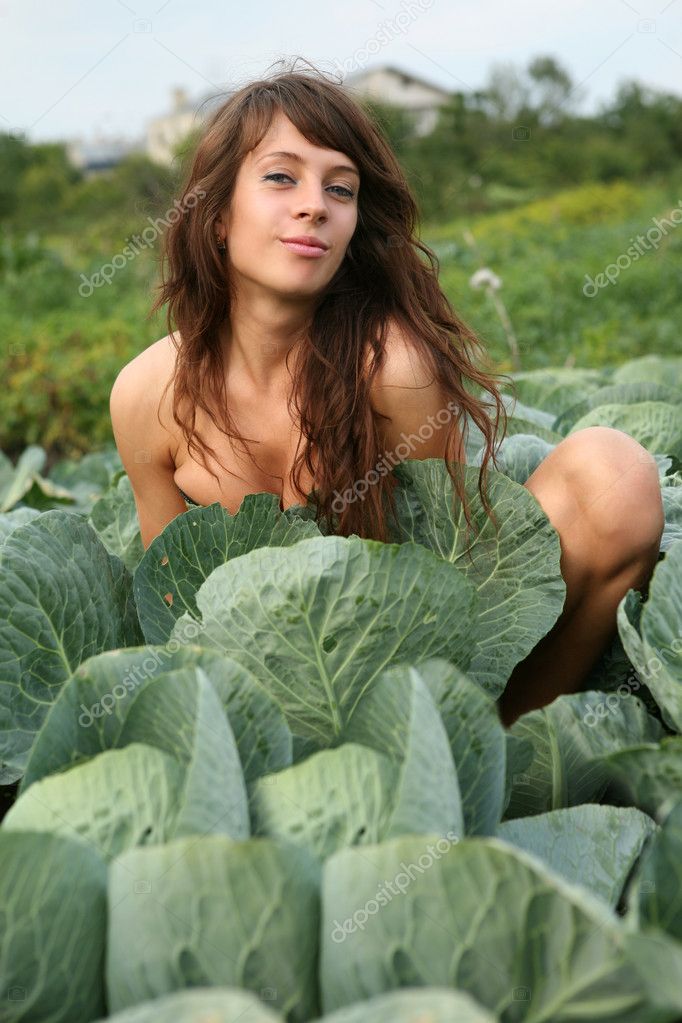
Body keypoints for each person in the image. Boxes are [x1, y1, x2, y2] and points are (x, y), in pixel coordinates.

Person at [109, 57, 664, 727]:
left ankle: (508, 744)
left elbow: (444, 586)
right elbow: (176, 614)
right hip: (256, 709)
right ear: (217, 215)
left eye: (340, 190)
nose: (315, 204)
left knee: (617, 477)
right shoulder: (148, 395)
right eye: (282, 177)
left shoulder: (393, 369)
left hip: (409, 688)